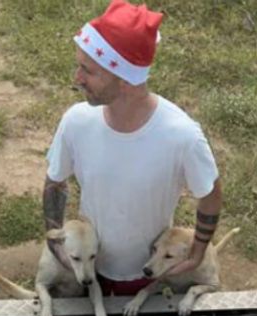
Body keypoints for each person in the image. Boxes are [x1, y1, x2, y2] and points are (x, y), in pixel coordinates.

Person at [43, 0, 222, 298]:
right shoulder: (76, 120)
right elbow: (55, 181)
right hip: (89, 265)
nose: (77, 78)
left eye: (88, 70)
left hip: (147, 271)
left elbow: (210, 193)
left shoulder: (181, 136)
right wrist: (55, 241)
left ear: (125, 79)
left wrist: (197, 251)